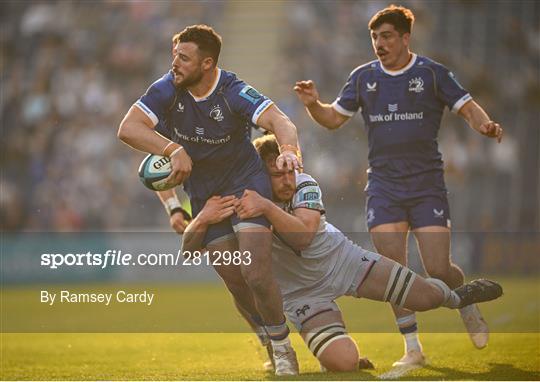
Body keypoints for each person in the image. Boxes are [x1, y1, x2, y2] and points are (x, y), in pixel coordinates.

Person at [293, 4, 504, 371]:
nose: (379, 42)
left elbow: (467, 106)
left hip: (426, 186)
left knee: (438, 267)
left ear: (406, 38)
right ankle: (412, 345)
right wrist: (313, 105)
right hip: (384, 186)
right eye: (374, 36)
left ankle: (465, 299)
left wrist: (484, 125)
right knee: (394, 269)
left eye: (387, 36)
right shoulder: (362, 78)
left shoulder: (432, 74)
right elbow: (331, 120)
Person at [182, 134, 503, 373]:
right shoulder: (238, 196)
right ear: (258, 175)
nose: (286, 180)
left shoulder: (304, 183)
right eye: (277, 175)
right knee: (344, 363)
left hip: (344, 262)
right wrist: (204, 217)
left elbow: (305, 237)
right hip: (303, 295)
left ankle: (459, 299)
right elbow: (188, 250)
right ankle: (331, 339)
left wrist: (265, 206)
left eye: (289, 171)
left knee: (427, 299)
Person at [117, 24, 302, 376]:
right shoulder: (167, 89)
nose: (175, 64)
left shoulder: (232, 90)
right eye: (175, 56)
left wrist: (290, 151)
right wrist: (173, 150)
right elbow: (128, 128)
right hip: (204, 195)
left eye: (184, 58)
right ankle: (267, 336)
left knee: (256, 272)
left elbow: (279, 120)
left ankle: (283, 348)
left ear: (207, 64)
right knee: (234, 278)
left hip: (246, 183)